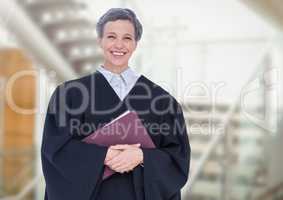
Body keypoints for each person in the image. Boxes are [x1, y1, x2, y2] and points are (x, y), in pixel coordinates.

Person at [41, 8, 191, 200]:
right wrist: (102, 155)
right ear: (100, 41)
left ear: (136, 44)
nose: (119, 45)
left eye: (127, 38)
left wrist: (142, 156)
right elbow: (55, 150)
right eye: (111, 36)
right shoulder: (68, 94)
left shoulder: (163, 101)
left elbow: (177, 158)